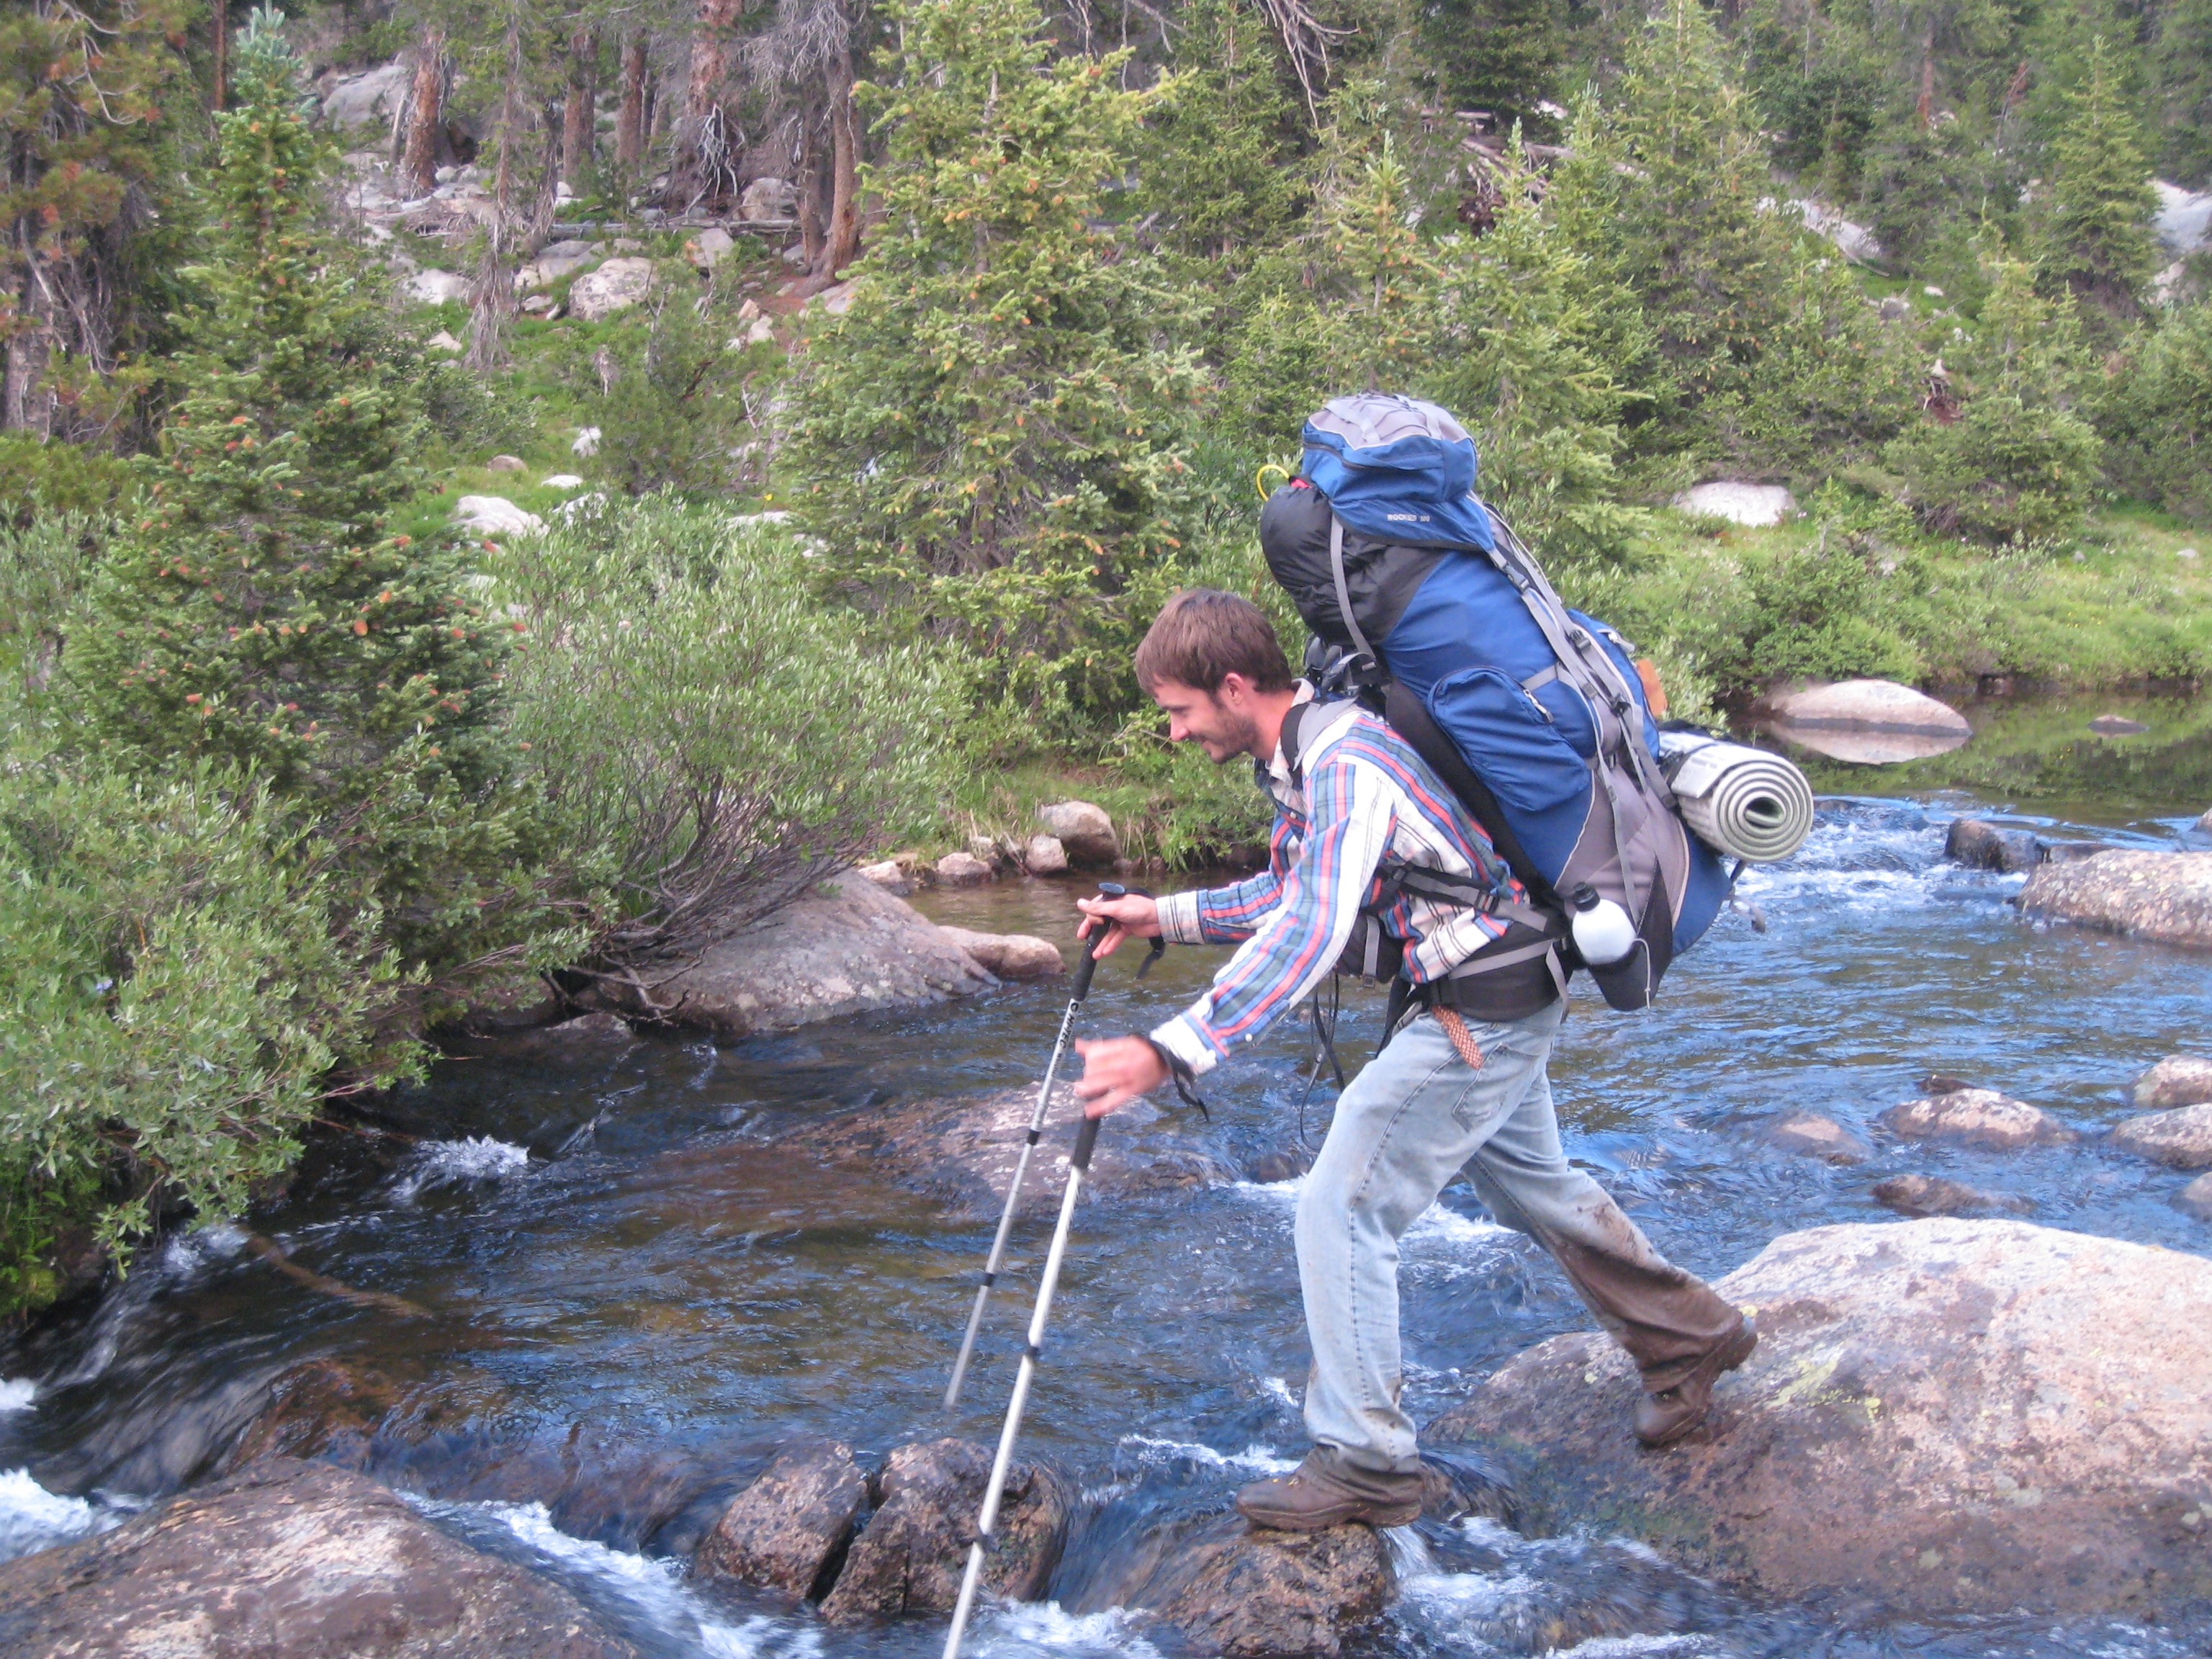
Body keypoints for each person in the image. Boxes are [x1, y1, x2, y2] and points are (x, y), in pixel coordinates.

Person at [1072, 587, 1754, 1533]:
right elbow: (1293, 887)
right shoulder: (1308, 753)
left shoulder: (1346, 763)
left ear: (1233, 686)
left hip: (1483, 1004)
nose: (1177, 733)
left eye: (1181, 712)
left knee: (1341, 1206)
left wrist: (1171, 1050)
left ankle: (1366, 1459)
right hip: (1485, 984)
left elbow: (1313, 931)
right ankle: (1692, 1337)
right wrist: (1164, 916)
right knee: (1529, 1188)